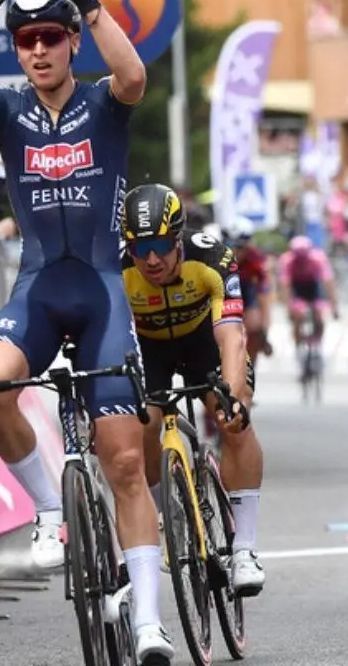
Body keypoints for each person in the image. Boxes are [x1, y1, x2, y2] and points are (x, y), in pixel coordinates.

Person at [0, 0, 169, 659]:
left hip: (102, 291)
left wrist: (88, 0)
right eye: (27, 40)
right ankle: (48, 509)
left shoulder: (103, 100)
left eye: (51, 36)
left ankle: (150, 625)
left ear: (72, 41)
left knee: (125, 464)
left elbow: (134, 75)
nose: (38, 49)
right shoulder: (5, 110)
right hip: (39, 290)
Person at [120, 185, 266, 597]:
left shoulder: (212, 257)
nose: (151, 258)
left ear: (179, 237)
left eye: (163, 245)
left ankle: (244, 549)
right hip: (149, 349)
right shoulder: (116, 268)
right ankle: (159, 516)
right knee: (143, 424)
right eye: (140, 247)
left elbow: (232, 338)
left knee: (233, 420)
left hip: (204, 340)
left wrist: (233, 397)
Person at [277, 235, 340, 352]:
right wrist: (288, 309)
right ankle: (298, 343)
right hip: (297, 287)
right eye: (298, 258)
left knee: (319, 314)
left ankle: (317, 341)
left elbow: (329, 283)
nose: (302, 262)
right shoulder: (287, 260)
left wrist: (334, 306)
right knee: (297, 315)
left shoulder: (318, 259)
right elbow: (285, 286)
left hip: (313, 286)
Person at [225, 217, 273, 363]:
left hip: (246, 290)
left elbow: (263, 292)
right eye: (230, 245)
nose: (235, 251)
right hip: (224, 290)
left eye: (240, 247)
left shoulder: (255, 259)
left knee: (254, 323)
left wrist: (263, 330)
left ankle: (250, 363)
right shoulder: (218, 255)